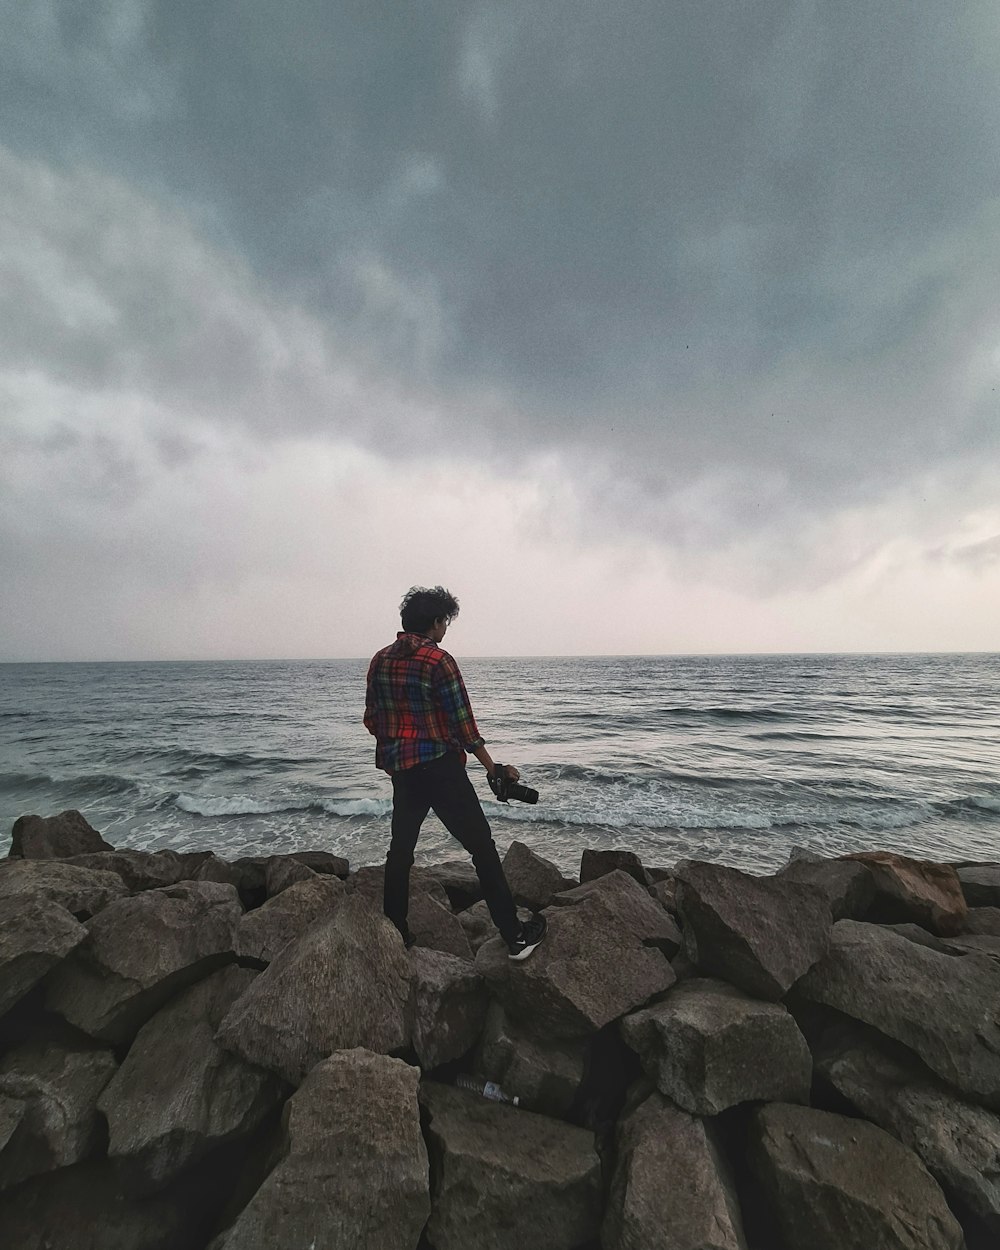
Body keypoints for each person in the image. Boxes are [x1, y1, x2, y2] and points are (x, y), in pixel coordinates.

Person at [364, 585, 547, 960]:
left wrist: (402, 743)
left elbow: (372, 719)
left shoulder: (379, 660)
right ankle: (515, 937)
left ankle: (395, 932)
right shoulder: (439, 661)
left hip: (404, 772)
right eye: (444, 622)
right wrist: (494, 768)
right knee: (482, 848)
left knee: (401, 852)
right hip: (442, 771)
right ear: (435, 623)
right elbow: (464, 726)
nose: (445, 629)